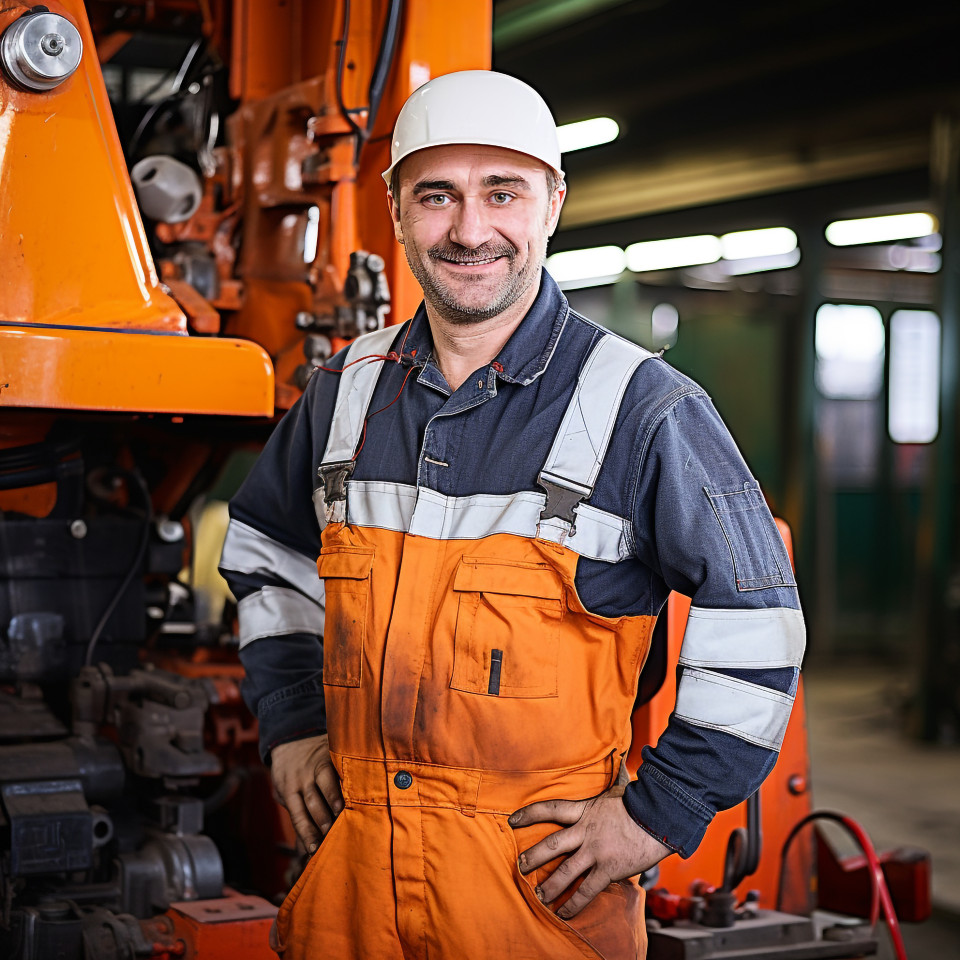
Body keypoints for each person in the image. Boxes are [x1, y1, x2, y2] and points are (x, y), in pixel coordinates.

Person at [219, 69, 805, 960]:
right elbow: (267, 552)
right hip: (352, 891)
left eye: (503, 194)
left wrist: (660, 813)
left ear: (552, 204)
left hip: (536, 901)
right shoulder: (343, 391)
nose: (469, 230)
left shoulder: (642, 409)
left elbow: (759, 621)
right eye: (437, 196)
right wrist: (295, 721)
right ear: (394, 206)